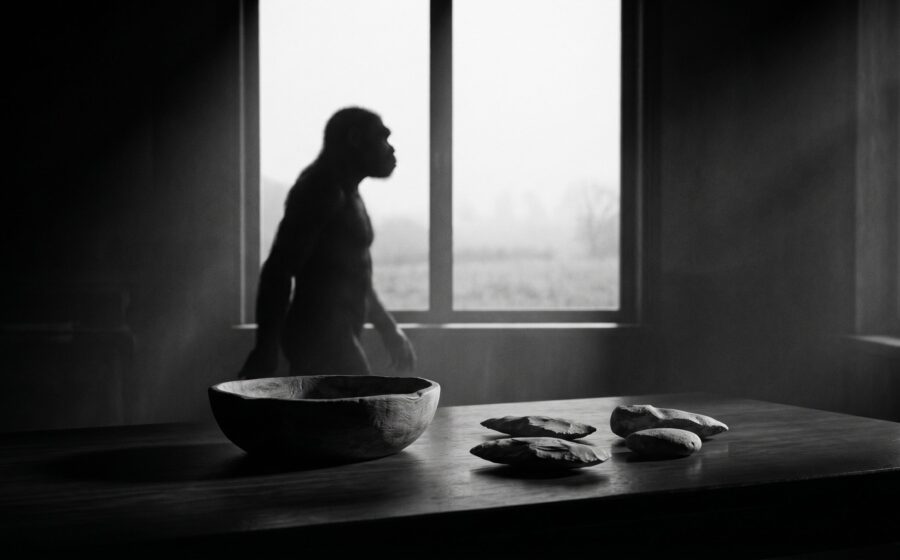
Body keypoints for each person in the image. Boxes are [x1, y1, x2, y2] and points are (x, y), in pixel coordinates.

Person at [239, 107, 416, 379]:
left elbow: (356, 273)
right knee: (360, 415)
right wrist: (265, 349)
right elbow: (278, 271)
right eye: (382, 138)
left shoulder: (348, 192)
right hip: (318, 336)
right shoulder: (321, 189)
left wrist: (388, 328)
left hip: (336, 334)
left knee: (354, 415)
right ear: (356, 139)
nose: (391, 149)